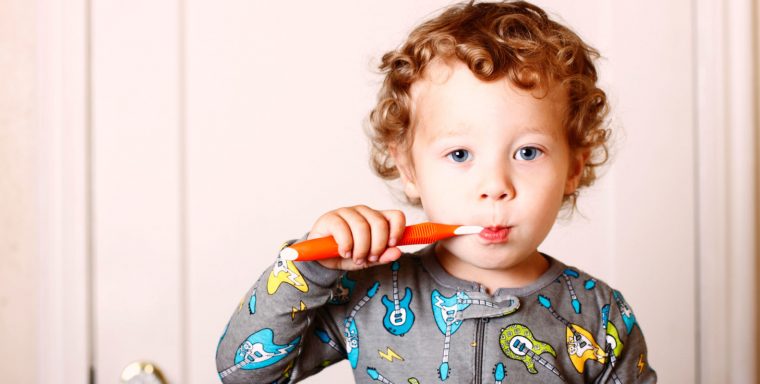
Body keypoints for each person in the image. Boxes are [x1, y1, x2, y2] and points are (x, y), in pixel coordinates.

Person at [215, 1, 657, 382]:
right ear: (409, 168)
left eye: (527, 152)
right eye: (461, 154)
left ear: (573, 168)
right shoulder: (370, 294)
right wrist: (312, 271)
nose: (494, 187)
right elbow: (242, 373)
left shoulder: (600, 316)